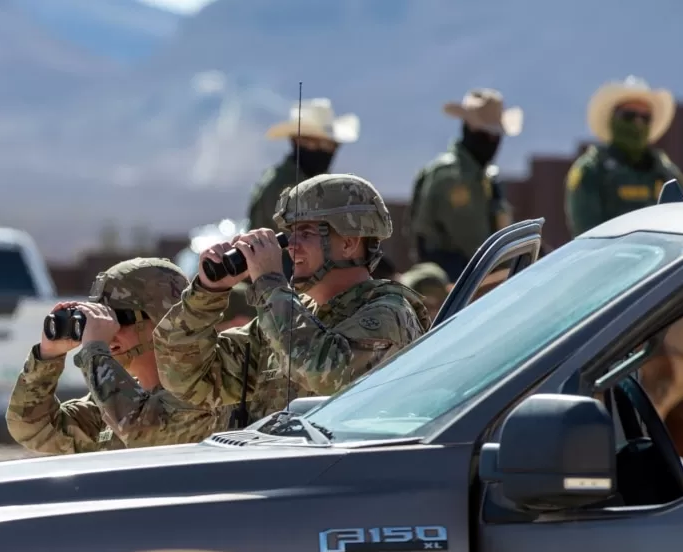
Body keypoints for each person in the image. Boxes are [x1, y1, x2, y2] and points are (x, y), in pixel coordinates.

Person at [154, 174, 431, 423]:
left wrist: (270, 284)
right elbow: (186, 378)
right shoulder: (286, 316)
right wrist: (207, 293)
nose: (290, 247)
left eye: (307, 233)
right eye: (290, 234)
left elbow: (325, 374)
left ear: (349, 243)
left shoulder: (390, 315)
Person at [6, 258, 231, 453]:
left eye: (118, 318)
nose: (108, 331)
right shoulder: (109, 402)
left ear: (163, 321)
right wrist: (48, 356)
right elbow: (31, 428)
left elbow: (145, 434)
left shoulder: (205, 393)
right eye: (100, 319)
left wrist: (94, 349)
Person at [409, 88, 523, 281]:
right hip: (455, 284)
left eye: (496, 136)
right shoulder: (452, 176)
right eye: (487, 135)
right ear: (470, 131)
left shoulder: (483, 176)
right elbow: (475, 244)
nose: (493, 143)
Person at [565, 76, 683, 236]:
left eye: (645, 118)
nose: (637, 123)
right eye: (629, 116)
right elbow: (588, 234)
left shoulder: (666, 172)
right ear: (612, 120)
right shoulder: (591, 171)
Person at [249, 98, 359, 252]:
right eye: (316, 143)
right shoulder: (285, 187)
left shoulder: (310, 183)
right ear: (297, 141)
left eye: (331, 145)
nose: (326, 151)